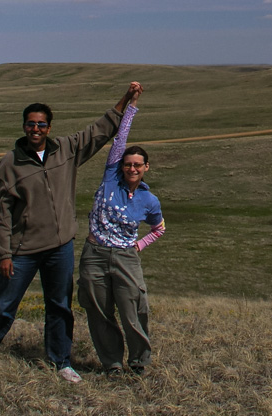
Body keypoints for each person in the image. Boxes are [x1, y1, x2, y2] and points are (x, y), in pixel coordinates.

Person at [0, 82, 143, 386]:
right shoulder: (11, 162)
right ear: (24, 126)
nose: (36, 128)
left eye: (41, 124)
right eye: (31, 124)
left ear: (49, 127)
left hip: (59, 248)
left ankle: (61, 361)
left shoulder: (66, 150)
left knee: (59, 305)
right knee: (4, 306)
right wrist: (3, 253)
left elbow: (98, 131)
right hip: (22, 251)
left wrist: (125, 100)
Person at [78, 86, 166, 376]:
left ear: (146, 168)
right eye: (128, 164)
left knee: (134, 311)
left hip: (127, 257)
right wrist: (131, 103)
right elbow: (121, 138)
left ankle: (140, 361)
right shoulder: (111, 177)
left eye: (137, 165)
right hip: (95, 253)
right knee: (99, 312)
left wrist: (138, 246)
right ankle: (112, 363)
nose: (131, 168)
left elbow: (159, 228)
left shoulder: (148, 200)